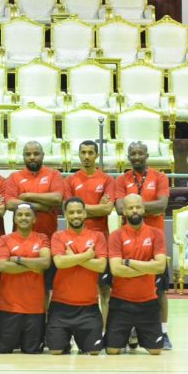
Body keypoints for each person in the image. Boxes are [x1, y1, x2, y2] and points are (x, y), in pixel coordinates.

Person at [114, 141, 171, 349]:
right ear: (128, 157)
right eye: (133, 154)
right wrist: (146, 207)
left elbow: (162, 205)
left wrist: (133, 206)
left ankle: (163, 332)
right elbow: (119, 208)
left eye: (140, 153)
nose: (136, 157)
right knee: (128, 286)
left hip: (154, 241)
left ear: (147, 155)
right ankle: (131, 331)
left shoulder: (160, 177)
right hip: (127, 241)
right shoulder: (121, 179)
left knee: (160, 290)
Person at [106, 194, 167, 355]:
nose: (134, 210)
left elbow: (160, 267)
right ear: (124, 211)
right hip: (121, 301)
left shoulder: (156, 234)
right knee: (112, 350)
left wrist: (128, 262)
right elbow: (116, 270)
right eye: (130, 208)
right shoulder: (116, 235)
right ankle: (129, 333)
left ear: (143, 209)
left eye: (138, 207)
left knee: (156, 351)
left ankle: (135, 333)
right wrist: (148, 267)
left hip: (148, 301)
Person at [64, 140, 115, 329]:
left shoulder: (107, 180)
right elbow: (68, 210)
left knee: (105, 290)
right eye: (83, 152)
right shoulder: (70, 180)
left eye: (90, 153)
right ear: (78, 155)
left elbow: (107, 209)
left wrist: (81, 208)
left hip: (100, 242)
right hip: (74, 242)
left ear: (97, 155)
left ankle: (105, 333)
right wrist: (96, 207)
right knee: (75, 288)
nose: (86, 156)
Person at [47, 198, 107, 355]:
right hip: (61, 306)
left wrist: (72, 258)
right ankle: (66, 339)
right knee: (56, 351)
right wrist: (87, 256)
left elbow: (101, 266)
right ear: (66, 215)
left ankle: (79, 337)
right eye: (71, 212)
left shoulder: (98, 236)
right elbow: (60, 262)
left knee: (94, 352)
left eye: (79, 212)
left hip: (89, 307)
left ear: (85, 213)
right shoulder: (58, 236)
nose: (76, 215)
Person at [0, 203, 51, 354]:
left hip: (34, 309)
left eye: (27, 215)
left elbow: (45, 262)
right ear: (14, 219)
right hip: (8, 308)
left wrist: (18, 259)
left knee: (32, 353)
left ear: (34, 219)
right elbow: (2, 266)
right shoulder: (4, 239)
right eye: (19, 215)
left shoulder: (42, 238)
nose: (23, 218)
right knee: (4, 353)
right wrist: (34, 266)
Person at [4, 141, 64, 238]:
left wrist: (27, 196)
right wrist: (41, 207)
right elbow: (10, 204)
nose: (32, 157)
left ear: (43, 155)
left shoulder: (54, 174)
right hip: (20, 239)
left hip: (48, 236)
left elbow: (57, 198)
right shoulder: (14, 177)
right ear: (23, 156)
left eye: (36, 154)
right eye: (28, 154)